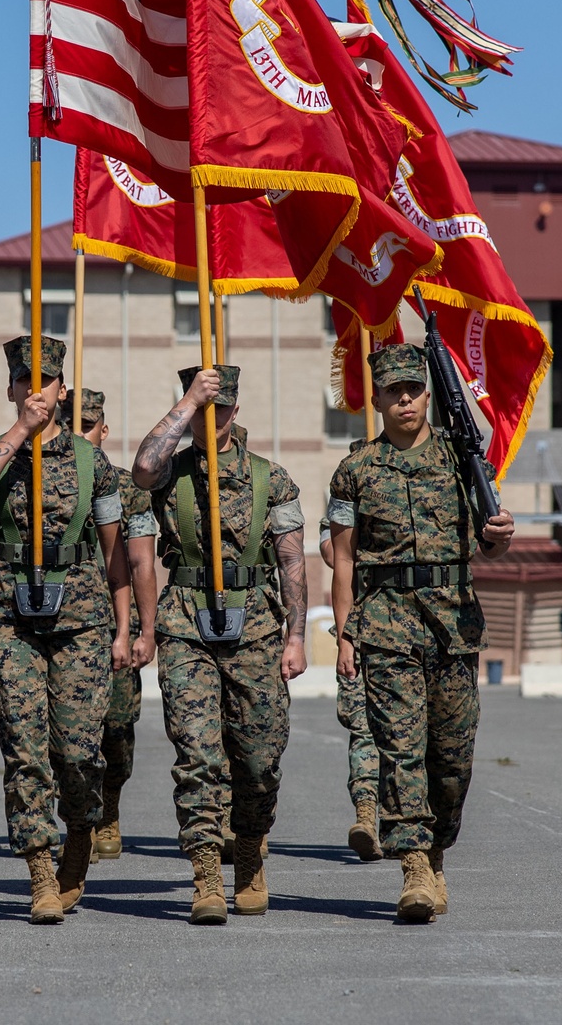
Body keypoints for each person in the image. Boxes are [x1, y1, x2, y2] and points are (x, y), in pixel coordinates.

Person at [328, 342, 514, 922]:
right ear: (378, 398)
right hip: (386, 625)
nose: (405, 401)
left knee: (452, 760)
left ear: (427, 394)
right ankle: (412, 866)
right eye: (393, 392)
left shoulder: (464, 461)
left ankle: (435, 850)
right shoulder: (356, 469)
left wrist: (500, 533)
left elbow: (490, 534)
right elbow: (343, 559)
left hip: (453, 626)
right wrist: (344, 634)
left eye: (414, 391)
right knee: (399, 750)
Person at [0, 337, 132, 924]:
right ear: (11, 390)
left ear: (62, 389)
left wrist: (124, 629)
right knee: (25, 751)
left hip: (80, 619)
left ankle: (79, 833)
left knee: (77, 752)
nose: (36, 390)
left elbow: (116, 558)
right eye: (24, 381)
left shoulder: (91, 462)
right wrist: (18, 435)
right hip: (8, 618)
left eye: (47, 381)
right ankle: (39, 870)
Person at [134, 365, 307, 925]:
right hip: (185, 626)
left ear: (237, 410)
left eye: (222, 409)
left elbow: (291, 562)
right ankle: (206, 872)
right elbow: (141, 468)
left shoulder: (271, 479)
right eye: (205, 410)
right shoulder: (172, 473)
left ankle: (250, 847)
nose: (215, 420)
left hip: (255, 627)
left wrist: (296, 635)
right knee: (198, 753)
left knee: (258, 761)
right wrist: (188, 403)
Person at [60, 387, 158, 860]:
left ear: (104, 430)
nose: (81, 434)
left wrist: (144, 629)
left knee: (117, 728)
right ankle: (79, 816)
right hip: (63, 623)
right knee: (66, 732)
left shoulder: (129, 490)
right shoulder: (44, 479)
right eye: (72, 424)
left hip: (112, 627)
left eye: (88, 426)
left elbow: (141, 565)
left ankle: (110, 807)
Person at [319, 518, 382, 862]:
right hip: (359, 630)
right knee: (363, 728)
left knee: (412, 735)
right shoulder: (352, 485)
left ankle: (400, 821)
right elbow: (331, 551)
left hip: (409, 630)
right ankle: (366, 815)